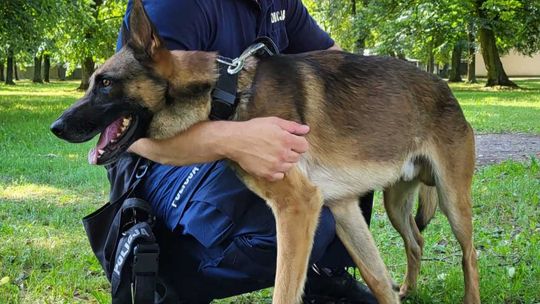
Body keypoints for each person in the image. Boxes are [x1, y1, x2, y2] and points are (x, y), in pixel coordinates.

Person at [109, 0, 376, 303]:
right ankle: (166, 276)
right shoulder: (176, 7)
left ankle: (323, 275)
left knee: (351, 153)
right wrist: (235, 139)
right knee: (298, 217)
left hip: (240, 138)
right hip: (159, 163)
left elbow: (338, 65)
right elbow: (132, 131)